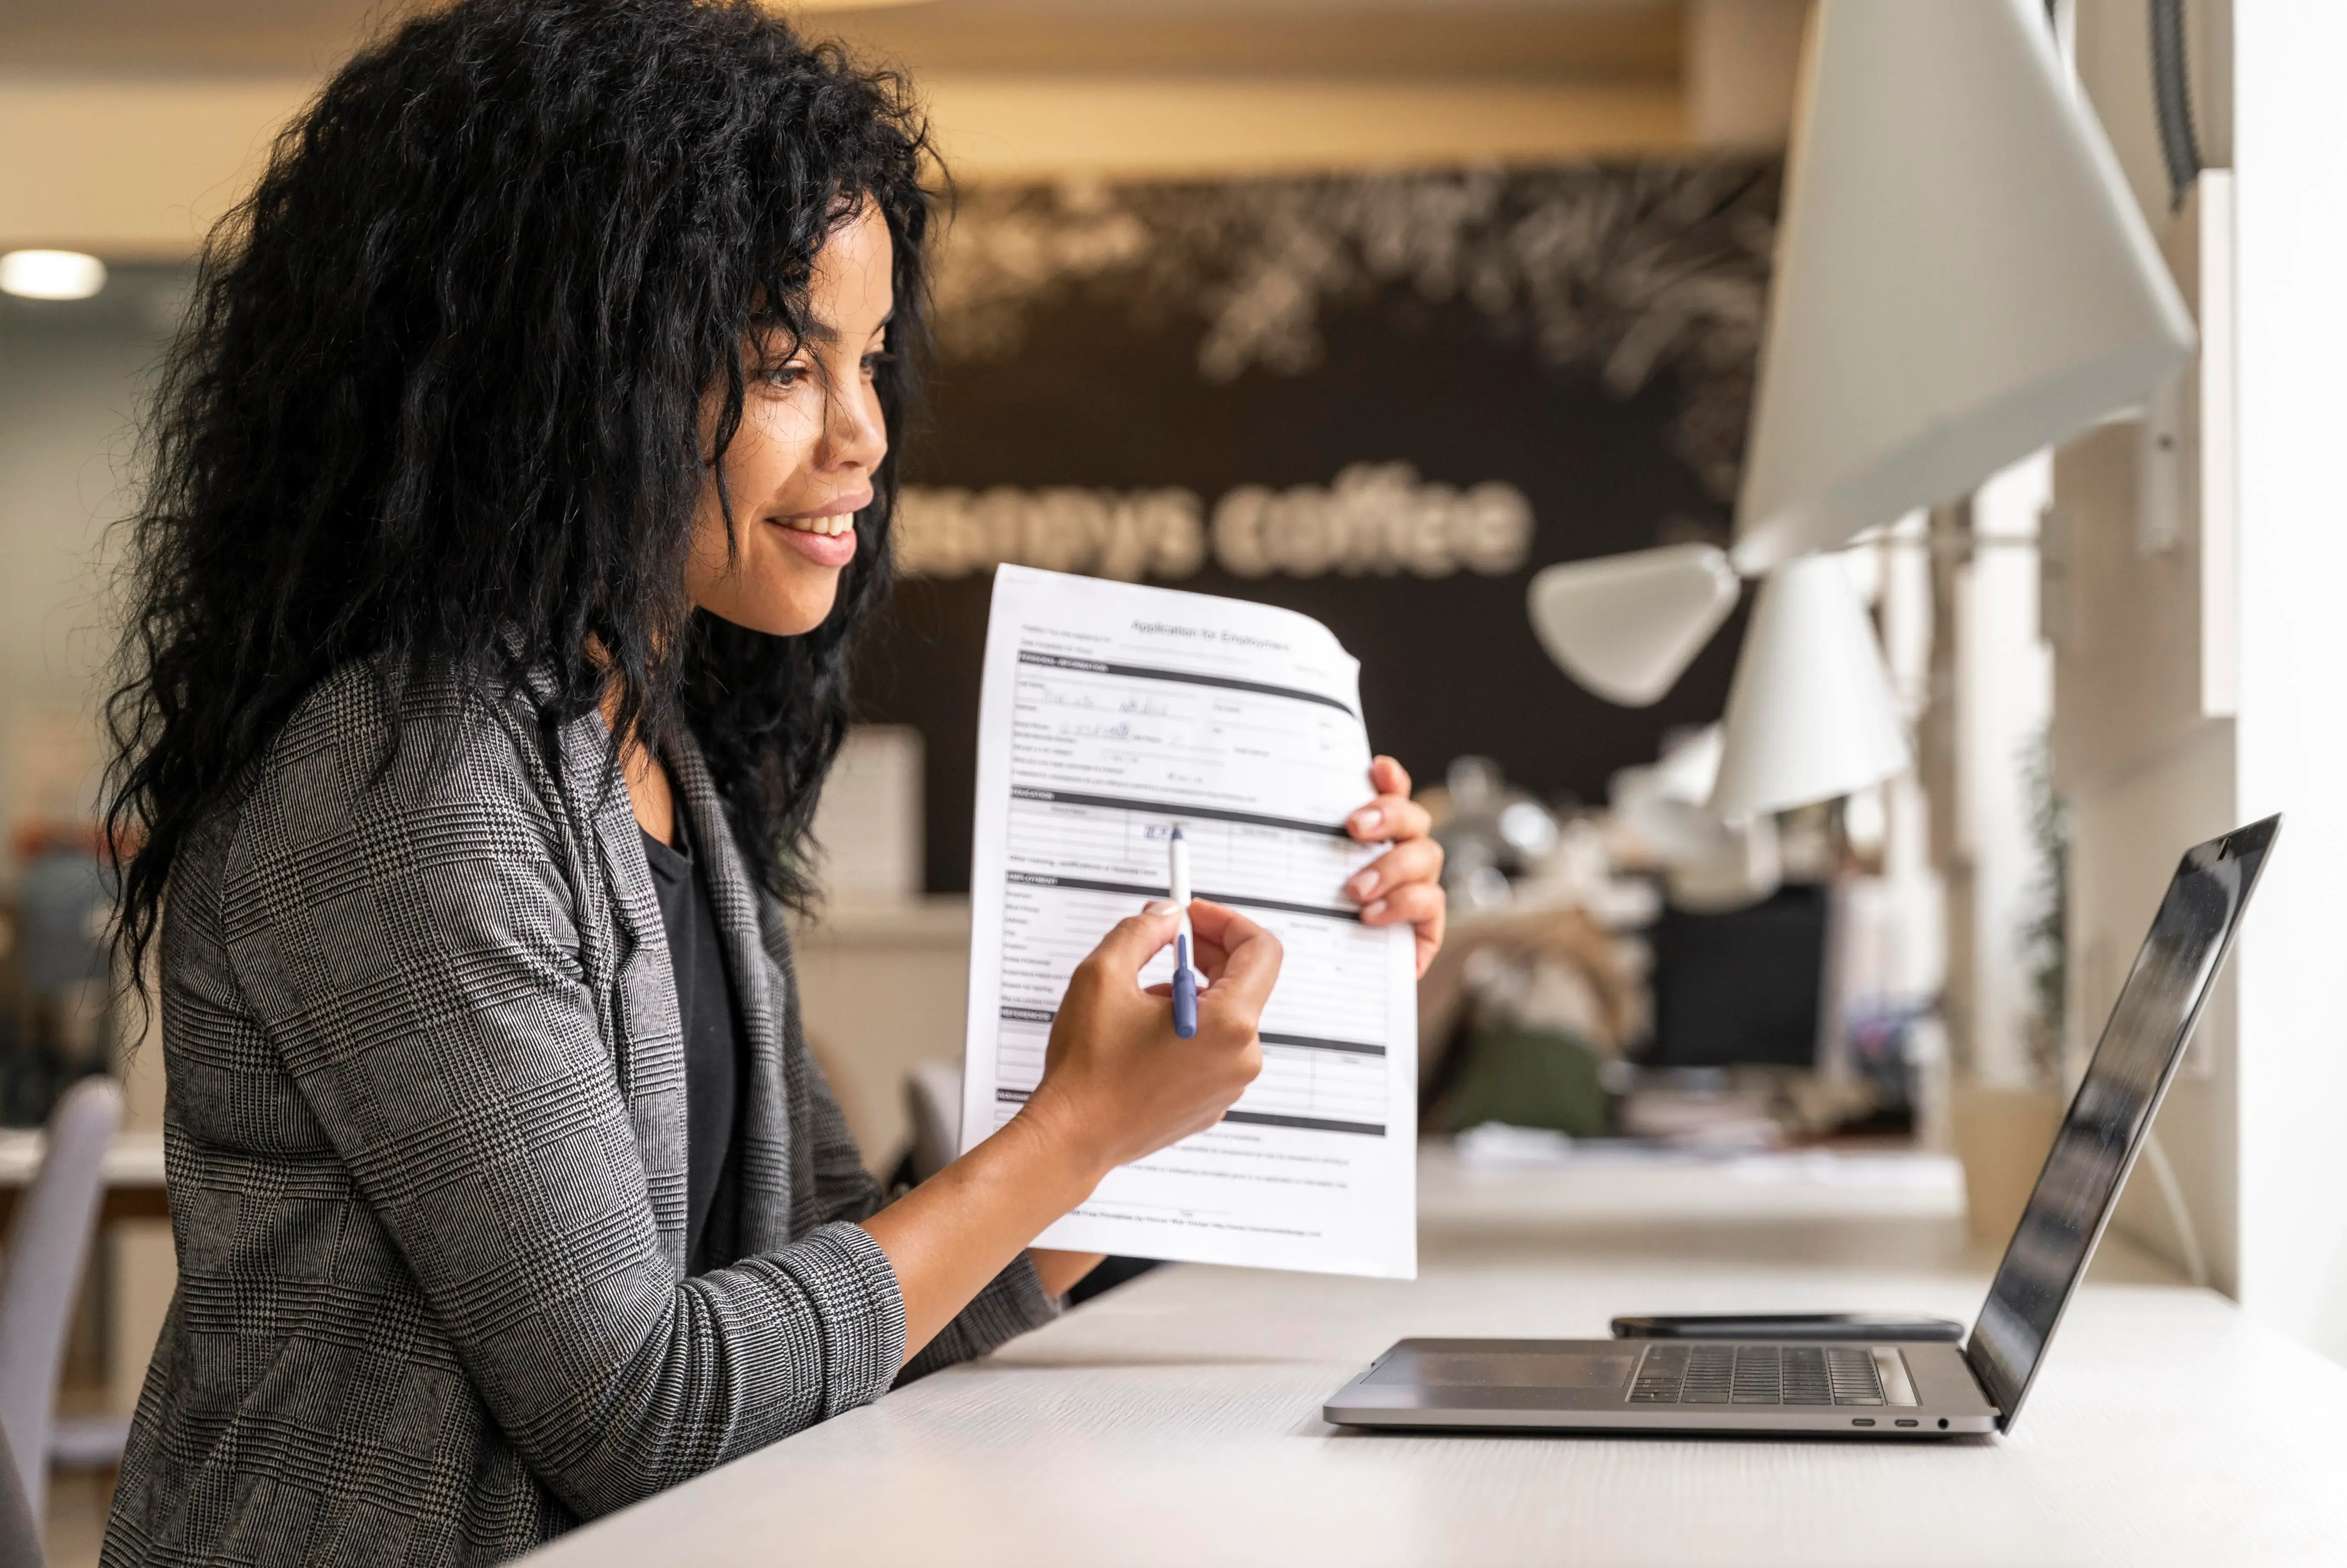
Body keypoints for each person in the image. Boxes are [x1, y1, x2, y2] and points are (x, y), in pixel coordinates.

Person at [95, 3, 1448, 1563]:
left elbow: (848, 1299)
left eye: (868, 361)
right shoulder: (404, 781)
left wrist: (1260, 1012)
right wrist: (1070, 1132)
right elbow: (646, 1408)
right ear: (561, 377)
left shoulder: (654, 756)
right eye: (784, 365)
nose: (865, 435)